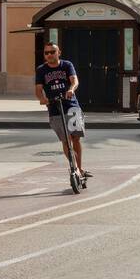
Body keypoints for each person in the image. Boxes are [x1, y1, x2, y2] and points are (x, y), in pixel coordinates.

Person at [35, 42, 90, 180]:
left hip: (71, 106)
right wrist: (42, 98)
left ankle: (80, 167)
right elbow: (38, 89)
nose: (49, 55)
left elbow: (74, 80)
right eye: (46, 53)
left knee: (75, 138)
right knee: (66, 140)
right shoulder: (41, 70)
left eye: (52, 52)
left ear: (59, 52)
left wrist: (71, 89)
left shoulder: (66, 65)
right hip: (54, 108)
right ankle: (75, 168)